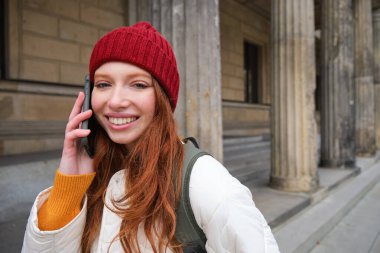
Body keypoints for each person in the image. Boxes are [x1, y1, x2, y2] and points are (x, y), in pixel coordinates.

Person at [22, 21, 280, 253]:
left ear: (162, 100)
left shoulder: (204, 181)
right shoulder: (91, 172)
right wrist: (70, 185)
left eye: (138, 84)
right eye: (103, 84)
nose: (115, 101)